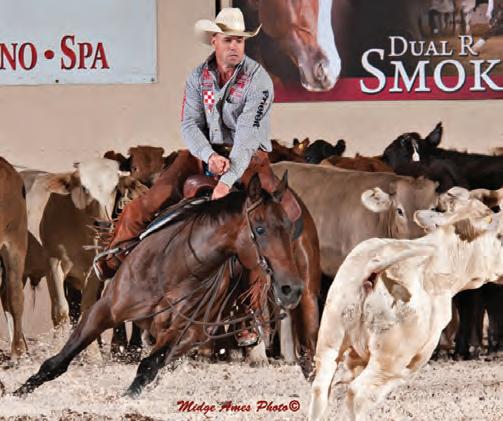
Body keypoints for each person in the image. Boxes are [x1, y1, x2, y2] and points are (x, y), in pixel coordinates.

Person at [96, 8, 275, 333]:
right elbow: (189, 124)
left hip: (249, 157)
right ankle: (114, 261)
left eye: (240, 40)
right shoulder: (198, 77)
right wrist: (208, 155)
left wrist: (227, 179)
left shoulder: (258, 80)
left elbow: (248, 135)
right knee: (148, 202)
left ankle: (253, 311)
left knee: (263, 220)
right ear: (214, 40)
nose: (235, 46)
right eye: (228, 40)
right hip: (203, 152)